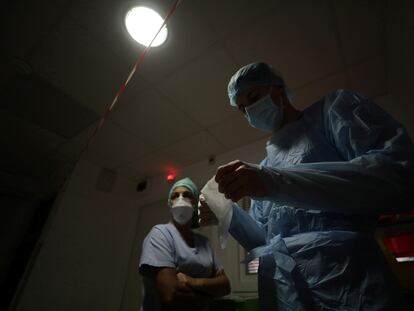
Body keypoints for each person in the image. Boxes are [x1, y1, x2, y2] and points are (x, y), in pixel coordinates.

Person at [199, 62, 414, 310]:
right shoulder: (263, 168)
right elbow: (265, 243)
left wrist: (273, 182)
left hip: (350, 282)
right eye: (242, 109)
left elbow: (398, 174)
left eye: (254, 97)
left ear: (277, 89)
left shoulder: (333, 112)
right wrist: (228, 213)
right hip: (287, 293)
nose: (249, 111)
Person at [139, 177, 231, 311]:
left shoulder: (204, 243)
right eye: (175, 196)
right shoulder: (160, 233)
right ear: (170, 203)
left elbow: (225, 285)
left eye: (187, 195)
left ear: (195, 204)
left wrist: (192, 282)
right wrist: (210, 296)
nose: (181, 199)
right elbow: (172, 295)